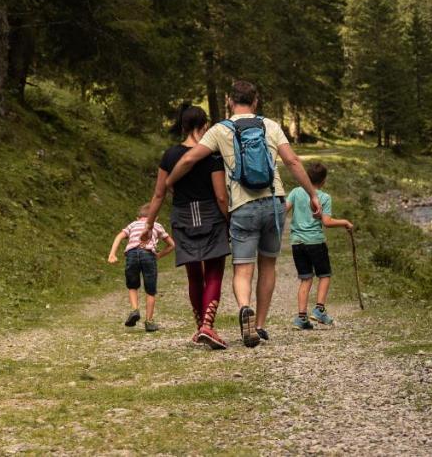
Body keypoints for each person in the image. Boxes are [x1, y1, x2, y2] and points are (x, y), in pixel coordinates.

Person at [144, 80, 322, 348]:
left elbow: (190, 159)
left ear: (229, 101)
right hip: (274, 202)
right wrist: (312, 194)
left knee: (242, 268)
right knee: (268, 265)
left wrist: (170, 181)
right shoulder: (270, 125)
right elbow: (293, 161)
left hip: (242, 206)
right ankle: (260, 325)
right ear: (256, 101)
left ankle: (244, 307)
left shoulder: (220, 130)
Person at [142, 105, 231, 350]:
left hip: (183, 216)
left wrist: (149, 225)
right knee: (214, 271)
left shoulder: (170, 156)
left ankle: (201, 327)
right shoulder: (212, 155)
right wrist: (228, 220)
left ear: (182, 126)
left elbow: (159, 194)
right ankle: (207, 325)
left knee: (194, 274)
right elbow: (221, 196)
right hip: (210, 214)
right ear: (204, 126)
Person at [284, 162, 353, 329]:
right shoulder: (324, 197)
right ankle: (319, 310)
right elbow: (327, 222)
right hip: (315, 242)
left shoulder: (295, 192)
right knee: (324, 275)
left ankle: (301, 318)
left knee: (305, 279)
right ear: (323, 181)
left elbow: (283, 210)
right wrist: (345, 222)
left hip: (297, 243)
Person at [107, 204, 173, 333]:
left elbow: (119, 236)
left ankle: (135, 309)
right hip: (148, 255)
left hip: (131, 254)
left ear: (138, 218)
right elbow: (172, 245)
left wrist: (112, 254)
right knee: (150, 290)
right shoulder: (157, 225)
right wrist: (159, 255)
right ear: (156, 218)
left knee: (132, 286)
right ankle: (149, 322)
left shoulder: (133, 224)